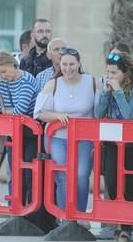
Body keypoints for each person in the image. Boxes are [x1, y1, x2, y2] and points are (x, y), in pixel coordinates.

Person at [0, 51, 47, 230]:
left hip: (31, 132)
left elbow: (20, 110)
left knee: (29, 173)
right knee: (16, 173)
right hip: (14, 131)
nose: (4, 76)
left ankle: (30, 214)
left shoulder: (27, 80)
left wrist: (7, 111)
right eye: (0, 73)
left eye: (5, 71)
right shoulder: (2, 82)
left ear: (14, 65)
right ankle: (17, 210)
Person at [34, 48, 96, 218]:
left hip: (84, 138)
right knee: (62, 176)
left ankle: (80, 216)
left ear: (79, 64)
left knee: (81, 175)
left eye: (72, 64)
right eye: (64, 64)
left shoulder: (91, 82)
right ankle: (64, 217)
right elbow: (38, 113)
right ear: (59, 65)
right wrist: (57, 116)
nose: (68, 68)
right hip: (58, 137)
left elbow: (100, 109)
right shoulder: (53, 84)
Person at [95, 52, 133, 242]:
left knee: (131, 185)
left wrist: (117, 91)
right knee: (112, 181)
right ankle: (118, 222)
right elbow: (98, 113)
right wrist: (105, 92)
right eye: (108, 72)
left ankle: (126, 228)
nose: (110, 76)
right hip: (112, 141)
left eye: (114, 72)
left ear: (125, 72)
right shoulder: (109, 86)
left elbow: (128, 114)